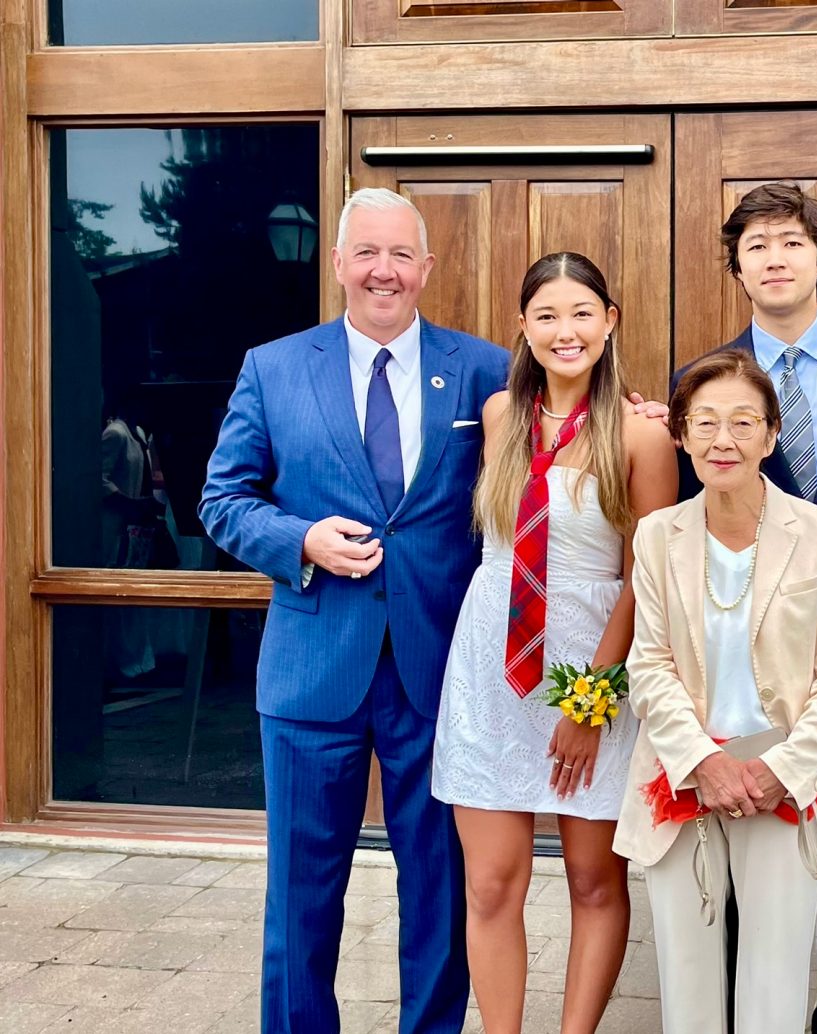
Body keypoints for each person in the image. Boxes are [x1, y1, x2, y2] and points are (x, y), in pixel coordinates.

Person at [200, 186, 509, 1034]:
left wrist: (631, 418)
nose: (384, 271)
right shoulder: (273, 366)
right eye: (366, 253)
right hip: (312, 671)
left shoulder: (482, 369)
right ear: (338, 264)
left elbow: (557, 438)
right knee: (301, 894)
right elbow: (222, 501)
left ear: (427, 268)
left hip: (437, 671)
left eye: (401, 255)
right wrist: (300, 540)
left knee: (439, 891)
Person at [431, 252, 677, 1034]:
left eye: (581, 313)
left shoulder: (642, 435)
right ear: (523, 326)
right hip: (491, 669)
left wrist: (592, 702)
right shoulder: (501, 416)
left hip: (587, 669)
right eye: (547, 315)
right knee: (490, 885)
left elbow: (645, 579)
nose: (564, 330)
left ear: (610, 320)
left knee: (593, 880)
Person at [673, 181, 817, 1033]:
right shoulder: (704, 378)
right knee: (736, 858)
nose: (775, 257)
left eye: (791, 241)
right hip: (739, 663)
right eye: (756, 244)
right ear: (737, 268)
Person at [614, 349, 817, 1034]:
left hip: (783, 769)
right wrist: (703, 761)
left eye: (743, 423)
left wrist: (781, 768)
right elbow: (651, 666)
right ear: (682, 434)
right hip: (684, 769)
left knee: (775, 982)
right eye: (706, 423)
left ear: (771, 435)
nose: (723, 440)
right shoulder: (659, 536)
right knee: (686, 985)